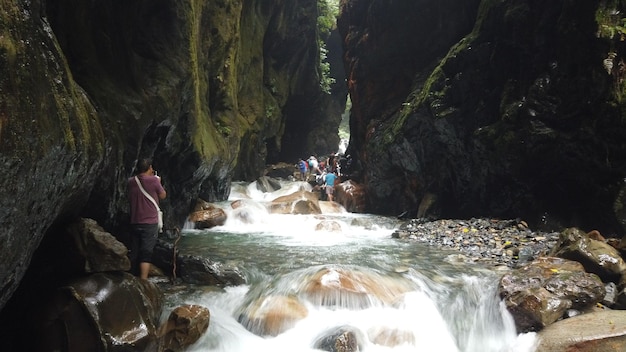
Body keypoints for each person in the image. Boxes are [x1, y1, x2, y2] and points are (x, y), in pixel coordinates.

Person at [128, 158, 166, 280]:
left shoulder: (131, 181)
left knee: (134, 250)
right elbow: (163, 195)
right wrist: (158, 181)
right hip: (149, 222)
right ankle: (143, 280)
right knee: (146, 251)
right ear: (150, 168)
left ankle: (130, 276)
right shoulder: (154, 181)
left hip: (135, 220)